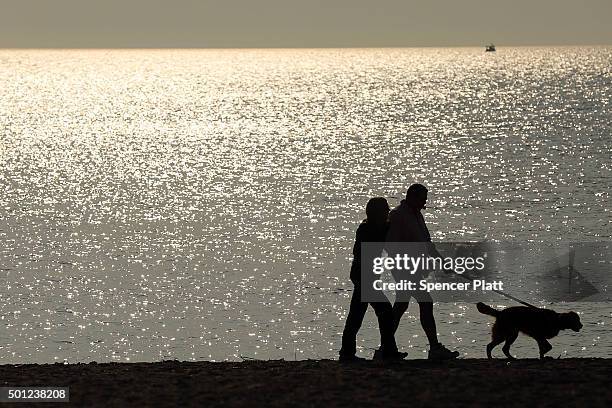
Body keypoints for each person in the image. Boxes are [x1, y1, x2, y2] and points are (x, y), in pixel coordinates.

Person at [386, 184, 459, 360]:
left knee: (401, 306)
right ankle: (433, 348)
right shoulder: (398, 216)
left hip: (414, 268)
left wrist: (442, 261)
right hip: (404, 268)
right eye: (423, 198)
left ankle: (386, 347)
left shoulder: (417, 214)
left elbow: (426, 244)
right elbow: (390, 245)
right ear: (412, 197)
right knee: (425, 302)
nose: (425, 202)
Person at [339, 197, 407, 362]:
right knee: (384, 311)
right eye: (384, 209)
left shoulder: (382, 227)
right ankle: (388, 351)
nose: (388, 211)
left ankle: (348, 353)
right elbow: (363, 253)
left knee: (357, 314)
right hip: (363, 276)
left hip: (366, 276)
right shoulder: (365, 229)